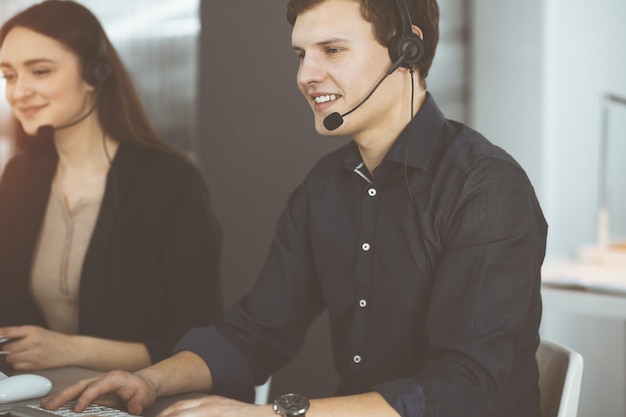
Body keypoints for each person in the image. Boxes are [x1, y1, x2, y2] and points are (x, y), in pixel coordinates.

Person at [42, 0, 548, 416]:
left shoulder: (485, 187)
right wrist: (147, 382)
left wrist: (269, 414)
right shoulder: (326, 187)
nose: (307, 75)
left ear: (405, 50)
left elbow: (463, 390)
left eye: (331, 50)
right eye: (301, 55)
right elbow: (256, 332)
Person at [0, 0, 223, 373]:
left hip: (139, 400)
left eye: (39, 71)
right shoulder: (22, 175)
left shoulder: (170, 183)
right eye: (9, 75)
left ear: (94, 75)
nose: (19, 91)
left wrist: (71, 350)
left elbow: (197, 343)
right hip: (38, 396)